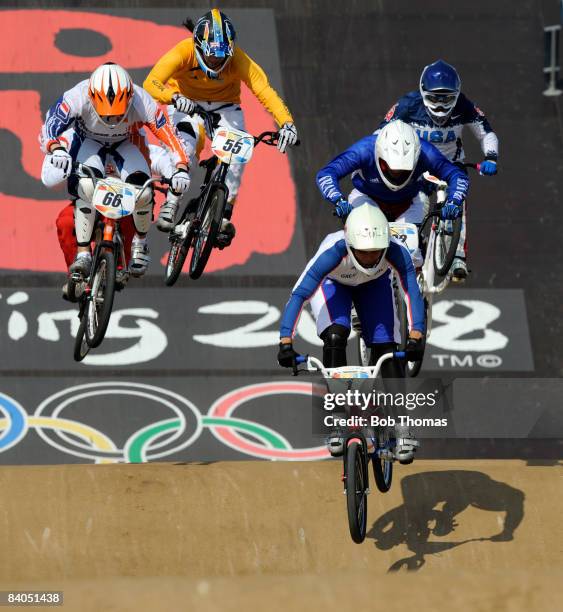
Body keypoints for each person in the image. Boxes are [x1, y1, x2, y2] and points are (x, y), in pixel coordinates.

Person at [277, 204, 425, 464]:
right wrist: (285, 341)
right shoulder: (332, 252)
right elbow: (300, 294)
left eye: (375, 252)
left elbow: (412, 293)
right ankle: (337, 419)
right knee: (335, 337)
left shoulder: (395, 251)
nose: (369, 258)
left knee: (388, 350)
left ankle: (401, 424)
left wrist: (416, 336)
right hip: (334, 284)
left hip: (374, 285)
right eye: (363, 252)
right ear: (350, 243)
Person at [143, 9, 298, 240]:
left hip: (225, 107)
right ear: (197, 45)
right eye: (210, 55)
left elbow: (265, 91)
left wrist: (287, 123)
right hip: (185, 102)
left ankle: (224, 214)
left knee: (238, 154)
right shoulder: (184, 51)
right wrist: (173, 98)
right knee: (187, 145)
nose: (216, 61)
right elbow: (150, 83)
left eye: (221, 56)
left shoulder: (237, 59)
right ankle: (173, 201)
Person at [40, 62, 190, 285]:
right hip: (89, 142)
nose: (111, 122)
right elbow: (51, 124)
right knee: (86, 188)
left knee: (144, 192)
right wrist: (56, 149)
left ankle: (140, 244)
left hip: (125, 144)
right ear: (91, 97)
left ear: (130, 99)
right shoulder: (77, 96)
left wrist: (181, 167)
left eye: (117, 115)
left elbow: (168, 135)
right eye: (105, 116)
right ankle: (83, 254)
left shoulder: (142, 101)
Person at [378, 59, 499, 279]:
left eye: (447, 99)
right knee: (418, 206)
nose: (441, 106)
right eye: (435, 98)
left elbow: (486, 133)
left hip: (452, 166)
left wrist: (491, 157)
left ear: (457, 94)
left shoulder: (464, 106)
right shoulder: (408, 104)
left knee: (458, 202)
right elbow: (381, 133)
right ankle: (411, 249)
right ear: (423, 92)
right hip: (418, 168)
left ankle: (458, 257)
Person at [316, 119, 469, 268]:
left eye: (403, 171)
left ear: (415, 158)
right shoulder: (365, 150)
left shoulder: (426, 153)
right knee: (363, 246)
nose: (396, 173)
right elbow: (326, 174)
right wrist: (338, 200)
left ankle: (413, 281)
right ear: (379, 155)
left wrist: (453, 201)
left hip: (407, 203)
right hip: (367, 199)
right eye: (390, 167)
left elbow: (458, 176)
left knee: (411, 257)